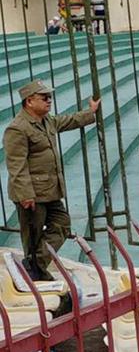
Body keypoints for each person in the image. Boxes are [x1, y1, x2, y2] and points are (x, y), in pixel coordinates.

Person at [4, 80, 99, 282]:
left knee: (62, 224)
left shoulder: (47, 120)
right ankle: (36, 272)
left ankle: (35, 265)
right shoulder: (18, 128)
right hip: (31, 193)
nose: (49, 101)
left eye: (50, 97)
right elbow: (16, 165)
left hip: (50, 190)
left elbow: (68, 120)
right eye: (44, 98)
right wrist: (25, 194)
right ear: (29, 101)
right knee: (33, 235)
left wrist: (90, 113)